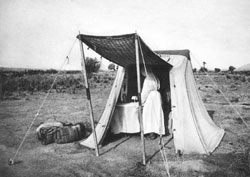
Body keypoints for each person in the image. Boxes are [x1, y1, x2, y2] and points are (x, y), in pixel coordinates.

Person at [141, 67, 165, 139]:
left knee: (149, 115)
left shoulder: (148, 79)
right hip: (157, 96)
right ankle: (157, 131)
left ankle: (151, 133)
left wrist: (141, 101)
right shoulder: (155, 76)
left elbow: (145, 91)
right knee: (156, 114)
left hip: (151, 98)